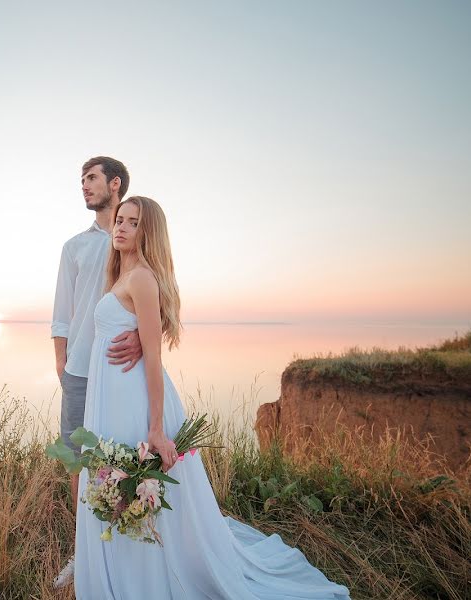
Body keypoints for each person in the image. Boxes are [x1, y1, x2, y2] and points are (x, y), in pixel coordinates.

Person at [74, 196, 351, 599]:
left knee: (134, 488)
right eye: (119, 220)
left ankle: (145, 581)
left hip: (135, 399)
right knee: (110, 485)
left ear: (147, 232)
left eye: (132, 223)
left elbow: (153, 356)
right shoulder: (120, 274)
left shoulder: (142, 279)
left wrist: (155, 427)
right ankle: (117, 574)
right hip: (111, 397)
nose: (121, 227)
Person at [51, 156, 143, 588]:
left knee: (123, 457)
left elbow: (159, 298)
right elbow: (61, 314)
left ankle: (127, 550)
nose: (84, 186)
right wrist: (62, 363)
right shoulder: (75, 246)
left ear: (115, 183)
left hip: (122, 371)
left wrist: (145, 337)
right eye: (81, 180)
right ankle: (83, 554)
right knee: (78, 461)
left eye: (91, 178)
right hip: (80, 370)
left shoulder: (135, 240)